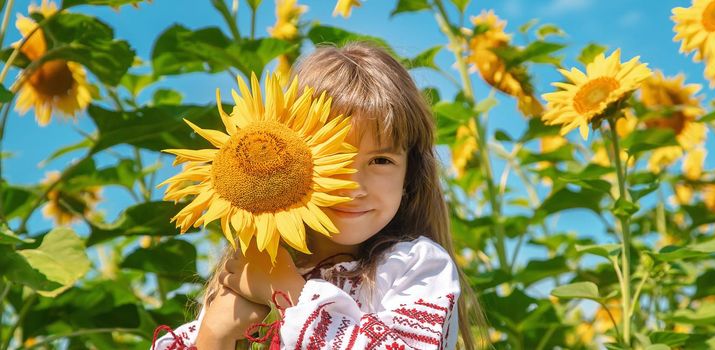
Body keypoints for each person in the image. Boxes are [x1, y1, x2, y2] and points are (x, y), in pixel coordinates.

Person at [151, 42, 486, 350]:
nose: (355, 185)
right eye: (332, 159)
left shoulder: (414, 267)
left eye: (381, 161)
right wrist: (215, 335)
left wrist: (288, 295)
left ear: (409, 175)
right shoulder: (246, 276)